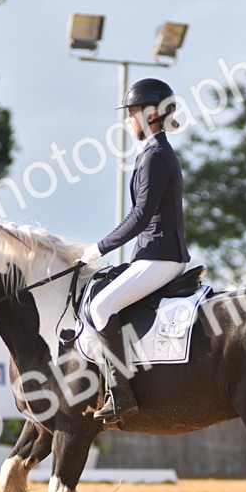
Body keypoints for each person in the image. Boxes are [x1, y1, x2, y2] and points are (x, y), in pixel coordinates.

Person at [80, 78, 191, 423]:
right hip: (154, 253)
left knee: (100, 306)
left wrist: (98, 249)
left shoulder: (156, 155)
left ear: (150, 115)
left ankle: (122, 394)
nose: (128, 119)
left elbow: (141, 216)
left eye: (132, 112)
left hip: (161, 254)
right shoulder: (153, 153)